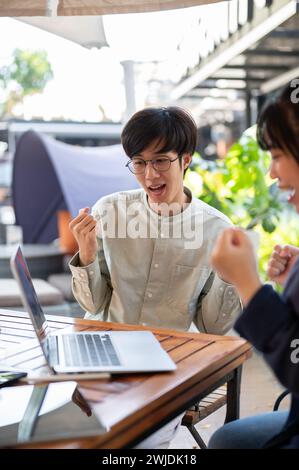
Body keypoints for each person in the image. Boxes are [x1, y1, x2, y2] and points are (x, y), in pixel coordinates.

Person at [68, 106, 241, 448]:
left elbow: (214, 327)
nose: (150, 175)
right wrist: (86, 253)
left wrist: (230, 276)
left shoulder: (216, 229)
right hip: (103, 354)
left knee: (135, 443)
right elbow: (93, 303)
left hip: (167, 364)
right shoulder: (109, 210)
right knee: (55, 433)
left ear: (186, 160)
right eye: (139, 162)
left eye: (161, 160)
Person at [209, 82, 299, 449]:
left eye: (277, 155)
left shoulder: (209, 220)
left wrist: (249, 285)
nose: (273, 175)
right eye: (140, 161)